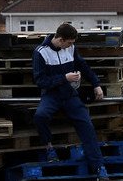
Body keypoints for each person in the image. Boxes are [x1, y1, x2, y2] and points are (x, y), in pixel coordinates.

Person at [33, 23, 109, 181]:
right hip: (51, 95)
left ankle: (100, 168)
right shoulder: (40, 53)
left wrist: (96, 84)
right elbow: (40, 81)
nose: (71, 45)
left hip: (70, 95)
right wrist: (64, 78)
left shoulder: (71, 48)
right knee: (40, 116)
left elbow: (83, 66)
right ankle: (49, 149)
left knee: (87, 125)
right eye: (69, 42)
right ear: (60, 40)